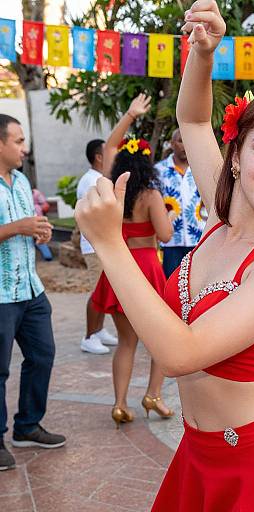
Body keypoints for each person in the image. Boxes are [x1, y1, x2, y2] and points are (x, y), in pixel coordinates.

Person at [75, 2, 254, 510]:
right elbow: (191, 115)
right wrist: (204, 52)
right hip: (198, 454)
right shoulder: (220, 212)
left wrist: (110, 243)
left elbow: (180, 354)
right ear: (236, 156)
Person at [90, 95, 175, 427]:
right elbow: (166, 236)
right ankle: (154, 395)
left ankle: (120, 403)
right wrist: (163, 212)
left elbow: (110, 147)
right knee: (160, 338)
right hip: (148, 268)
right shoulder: (151, 195)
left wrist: (129, 115)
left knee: (126, 341)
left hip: (120, 266)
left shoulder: (112, 189)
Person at [0, 114, 66, 472]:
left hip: (30, 288)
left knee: (42, 355)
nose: (24, 148)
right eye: (18, 141)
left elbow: (29, 224)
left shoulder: (23, 181)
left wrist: (39, 231)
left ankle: (27, 426)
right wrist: (17, 227)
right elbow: (15, 226)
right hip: (0, 294)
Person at [77, 139, 118, 354]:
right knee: (96, 292)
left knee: (104, 290)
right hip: (93, 246)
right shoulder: (90, 181)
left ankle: (99, 329)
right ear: (98, 157)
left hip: (102, 245)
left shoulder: (100, 179)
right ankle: (89, 336)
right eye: (109, 152)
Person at [155, 128, 206, 278]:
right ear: (172, 144)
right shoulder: (159, 171)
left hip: (199, 239)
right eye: (180, 141)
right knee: (171, 285)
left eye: (187, 141)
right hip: (171, 241)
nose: (185, 145)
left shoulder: (201, 169)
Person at [32, 187, 53, 261]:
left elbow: (46, 206)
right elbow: (46, 206)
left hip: (35, 219)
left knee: (39, 237)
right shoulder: (36, 194)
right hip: (39, 218)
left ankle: (47, 256)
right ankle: (47, 255)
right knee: (40, 237)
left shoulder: (35, 193)